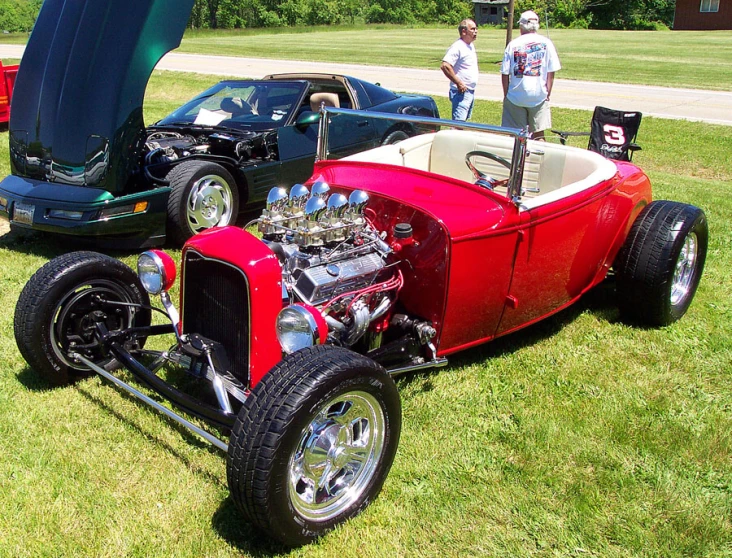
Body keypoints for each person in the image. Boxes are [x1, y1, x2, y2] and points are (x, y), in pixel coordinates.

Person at [501, 10, 561, 140]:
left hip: (515, 96)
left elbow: (505, 72)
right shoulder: (547, 43)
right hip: (538, 97)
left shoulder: (513, 44)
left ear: (521, 26)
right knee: (539, 135)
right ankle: (538, 158)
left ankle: (516, 159)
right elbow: (551, 71)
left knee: (515, 135)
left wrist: (506, 94)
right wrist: (547, 92)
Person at [441, 19, 479, 121]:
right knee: (458, 125)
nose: (476, 31)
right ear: (464, 31)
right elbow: (445, 66)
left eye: (476, 29)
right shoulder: (457, 47)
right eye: (473, 29)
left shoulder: (470, 45)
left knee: (462, 124)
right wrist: (458, 83)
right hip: (461, 92)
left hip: (469, 91)